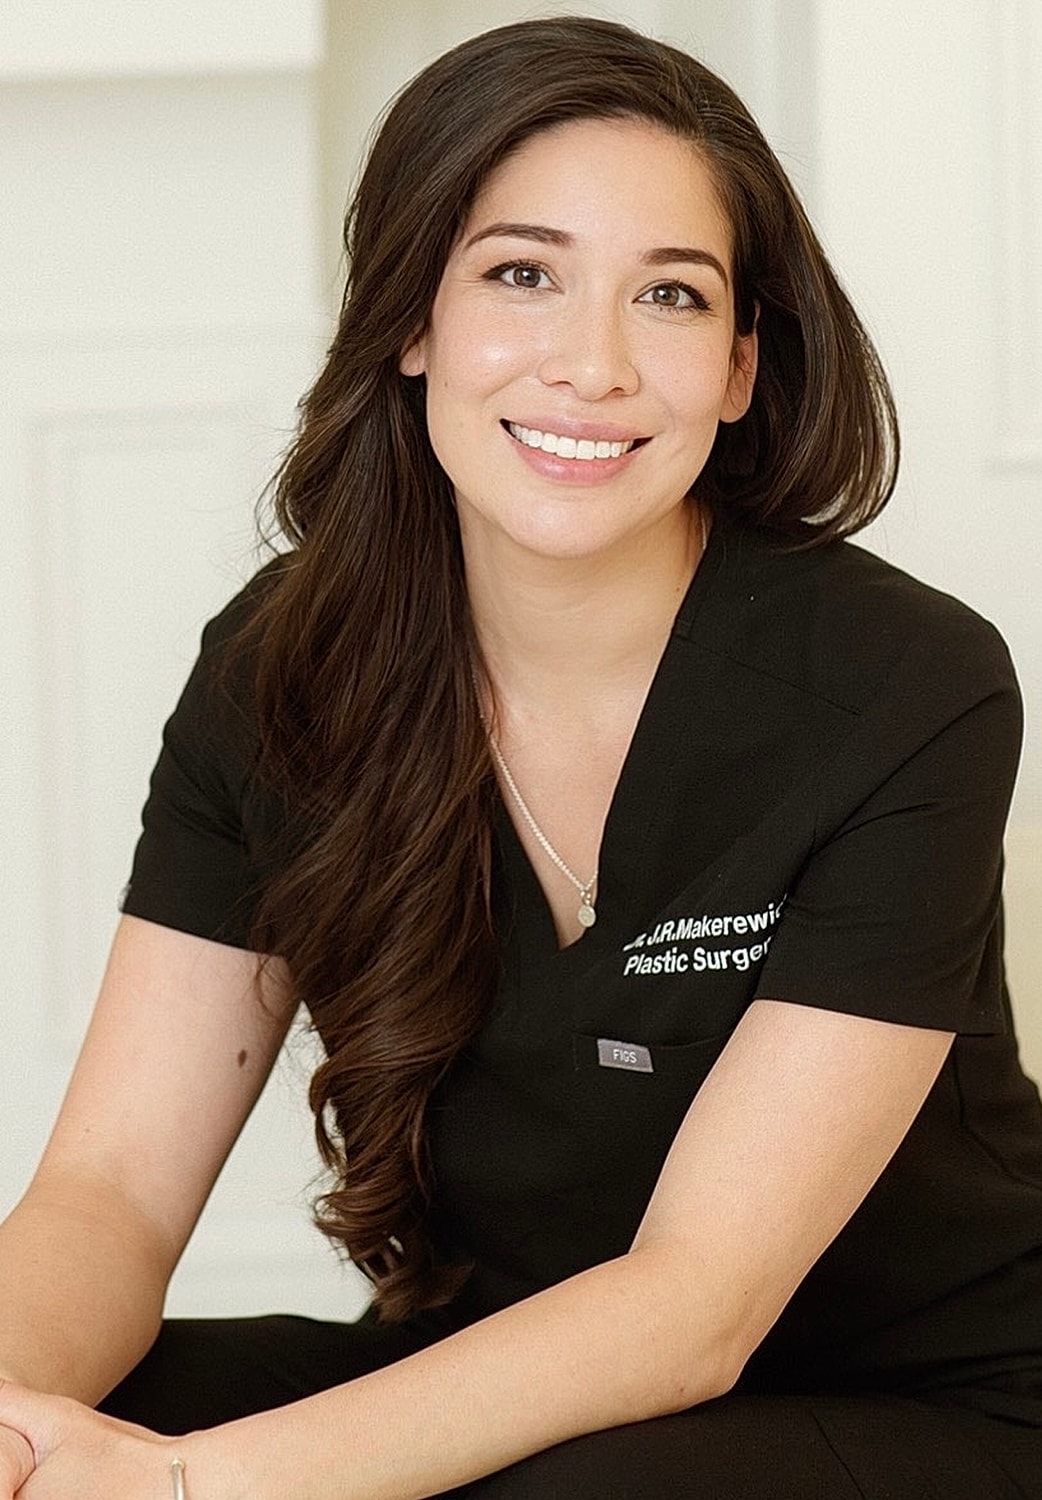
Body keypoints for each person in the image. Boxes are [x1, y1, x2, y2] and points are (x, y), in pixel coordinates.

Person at [0, 14, 1040, 1498]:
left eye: (669, 297)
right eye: (521, 274)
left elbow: (693, 1306)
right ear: (411, 319)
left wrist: (182, 1492)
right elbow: (106, 1196)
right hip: (517, 1357)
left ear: (741, 366)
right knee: (109, 1404)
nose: (593, 364)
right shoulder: (280, 669)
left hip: (922, 1399)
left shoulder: (902, 684)